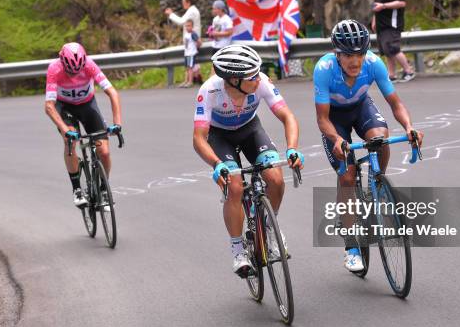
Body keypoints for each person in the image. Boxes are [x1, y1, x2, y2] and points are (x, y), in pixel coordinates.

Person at [313, 19, 423, 272]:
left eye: (360, 53)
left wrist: (408, 127)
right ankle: (351, 245)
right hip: (334, 119)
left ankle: (377, 184)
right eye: (349, 55)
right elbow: (322, 119)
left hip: (361, 107)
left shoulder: (374, 64)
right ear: (337, 54)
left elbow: (396, 104)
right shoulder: (324, 69)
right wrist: (338, 140)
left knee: (380, 138)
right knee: (348, 177)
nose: (355, 61)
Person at [193, 44, 304, 277]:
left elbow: (287, 116)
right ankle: (237, 249)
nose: (259, 78)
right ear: (233, 80)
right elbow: (199, 139)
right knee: (234, 187)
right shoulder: (209, 91)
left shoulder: (261, 81)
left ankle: (269, 228)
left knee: (275, 178)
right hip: (219, 136)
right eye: (251, 76)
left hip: (251, 130)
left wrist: (292, 148)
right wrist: (217, 164)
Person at [44, 42, 122, 209]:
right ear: (62, 61)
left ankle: (103, 189)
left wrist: (117, 124)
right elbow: (49, 106)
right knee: (71, 141)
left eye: (78, 71)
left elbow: (112, 93)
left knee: (105, 151)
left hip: (87, 105)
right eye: (70, 71)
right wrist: (66, 131)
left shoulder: (89, 65)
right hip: (65, 108)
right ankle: (77, 189)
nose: (74, 74)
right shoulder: (54, 69)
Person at [371, 0, 415, 83]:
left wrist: (384, 6)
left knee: (393, 48)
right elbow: (376, 5)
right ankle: (391, 75)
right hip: (381, 25)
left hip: (392, 24)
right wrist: (374, 20)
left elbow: (401, 2)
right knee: (386, 50)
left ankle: (408, 70)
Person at [180, 20, 202, 88]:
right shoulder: (186, 34)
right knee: (187, 68)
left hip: (191, 53)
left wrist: (196, 48)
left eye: (189, 26)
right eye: (186, 26)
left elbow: (199, 42)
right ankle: (185, 81)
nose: (187, 27)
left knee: (190, 68)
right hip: (187, 53)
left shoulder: (193, 34)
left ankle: (190, 81)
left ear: (192, 26)